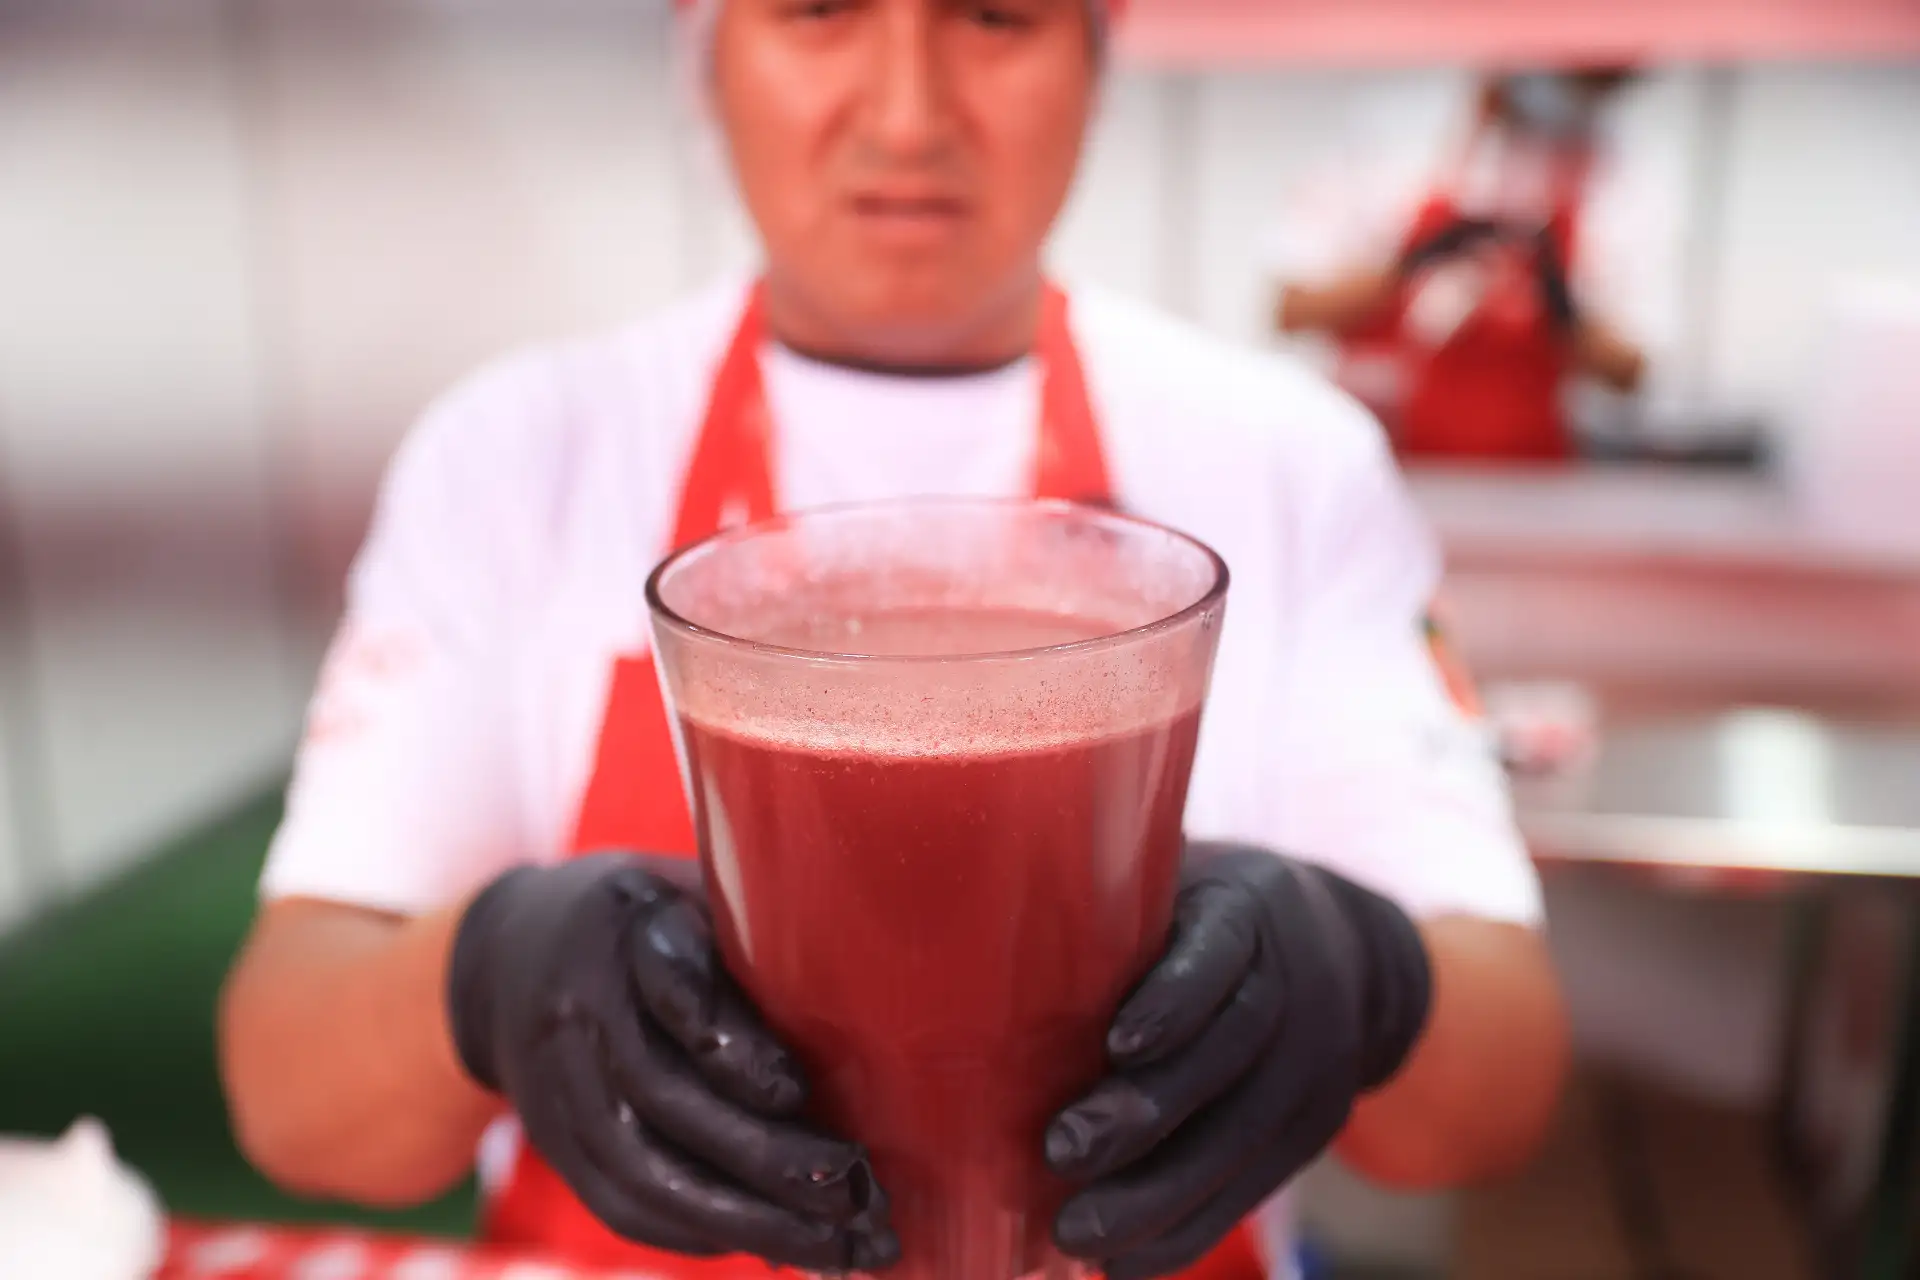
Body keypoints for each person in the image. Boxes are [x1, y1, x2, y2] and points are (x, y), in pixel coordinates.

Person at [217, 3, 1569, 1279]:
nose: (911, 114)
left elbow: (1497, 1086)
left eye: (995, 16)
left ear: (1100, 52)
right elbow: (293, 1091)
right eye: (816, 9)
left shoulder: (1288, 465)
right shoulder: (518, 458)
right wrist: (488, 977)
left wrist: (1363, 976)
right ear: (706, 46)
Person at [1272, 65, 1672, 463]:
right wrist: (1410, 266)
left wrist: (1560, 304)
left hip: (1531, 479)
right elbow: (1292, 310)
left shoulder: (1617, 168)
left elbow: (1632, 372)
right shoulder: (1391, 136)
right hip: (1383, 460)